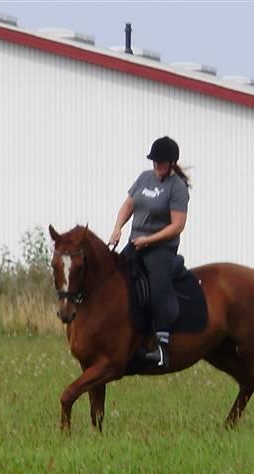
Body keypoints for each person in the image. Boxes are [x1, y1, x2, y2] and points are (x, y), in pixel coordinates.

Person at [109, 136, 190, 368]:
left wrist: (150, 240)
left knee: (157, 287)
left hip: (161, 248)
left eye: (161, 162)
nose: (156, 166)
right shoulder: (145, 178)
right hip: (136, 243)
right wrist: (117, 229)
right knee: (115, 281)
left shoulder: (178, 188)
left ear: (172, 163)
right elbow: (128, 205)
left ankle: (162, 347)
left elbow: (177, 225)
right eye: (154, 161)